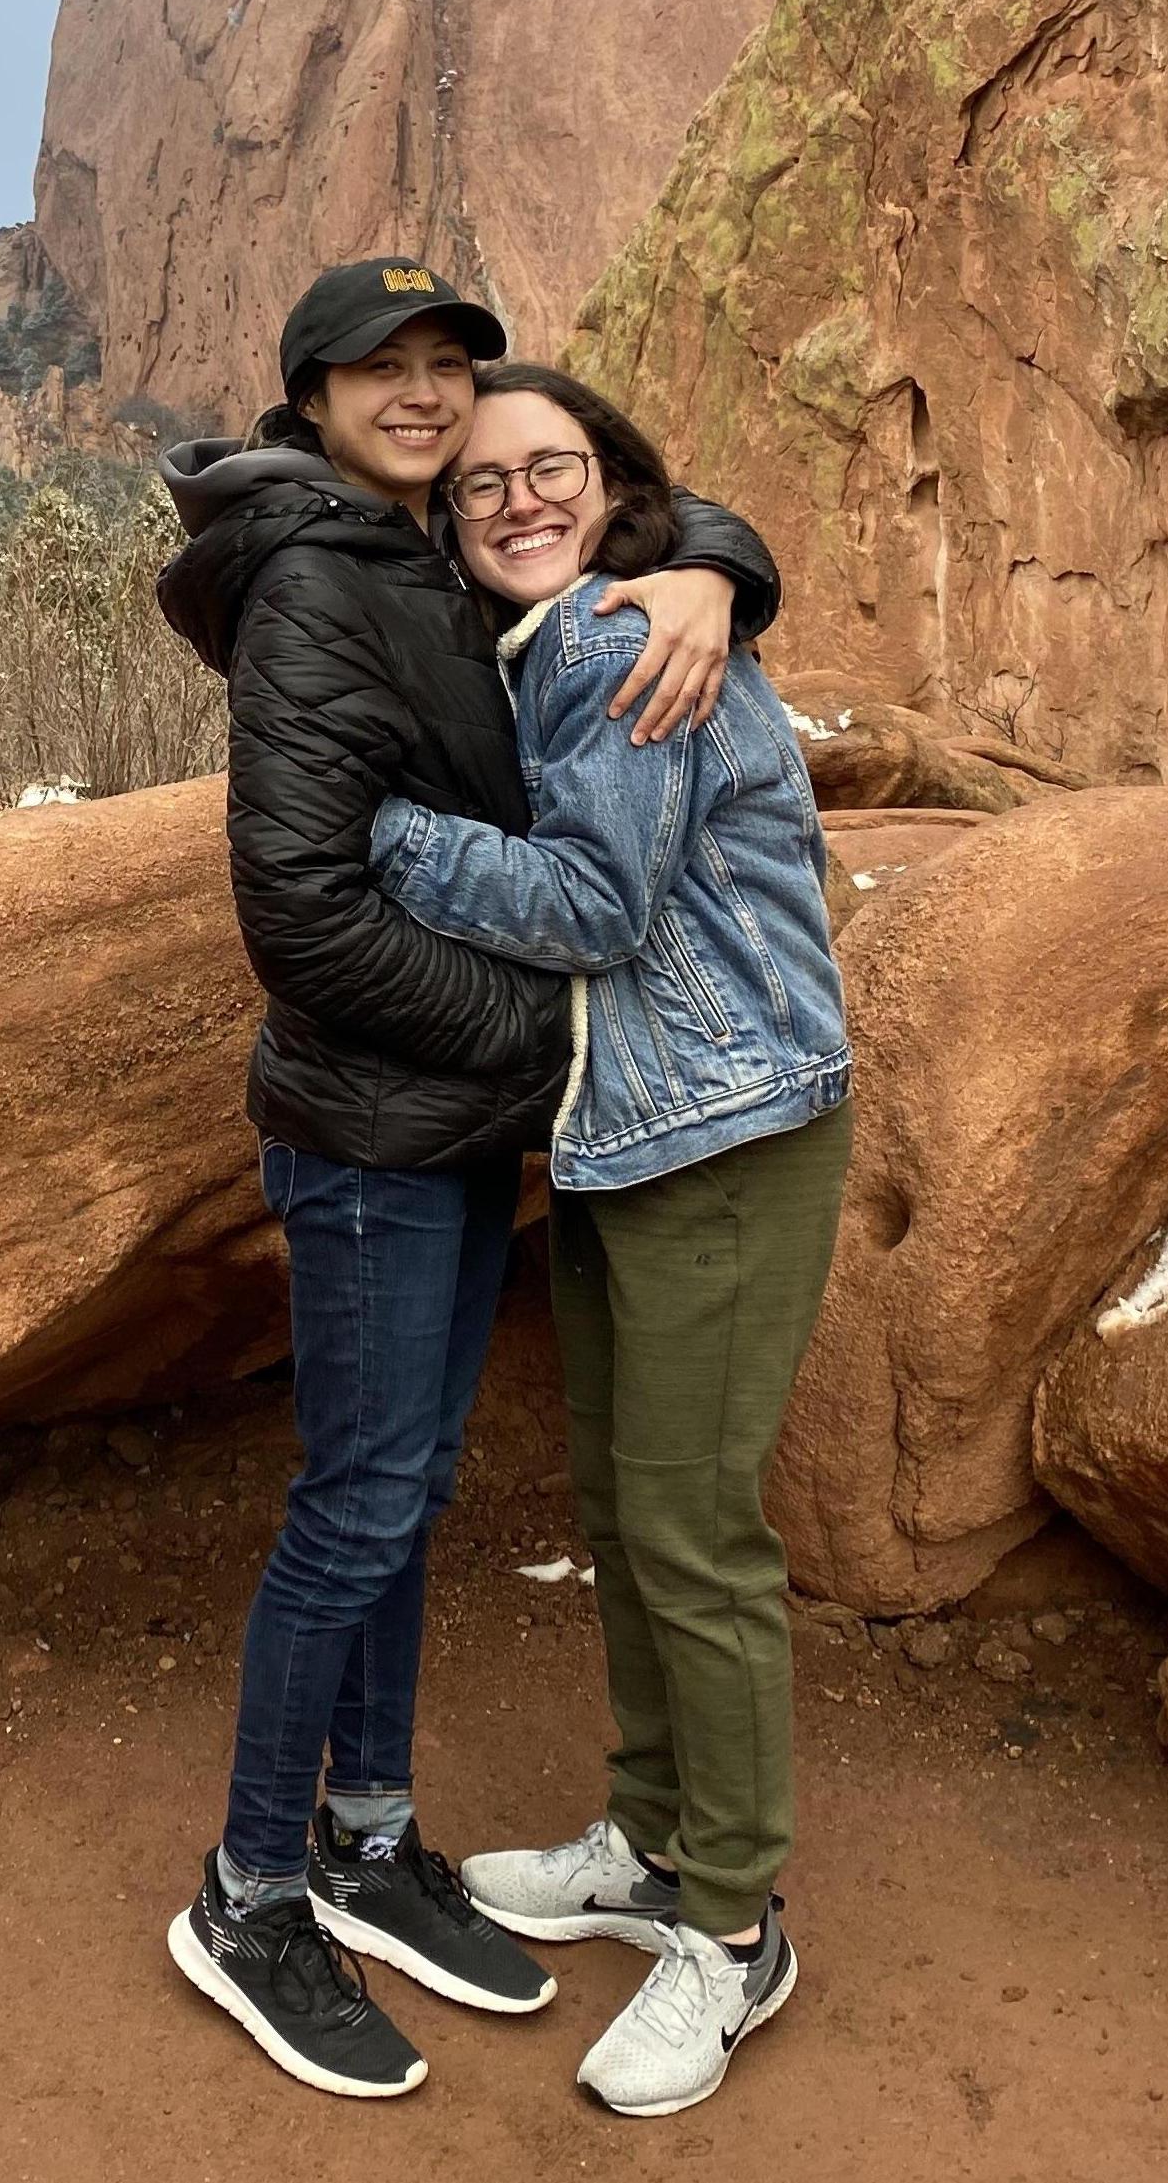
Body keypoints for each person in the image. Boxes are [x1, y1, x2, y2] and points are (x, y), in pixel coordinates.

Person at [151, 260, 779, 2102]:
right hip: (368, 1131)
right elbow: (302, 915)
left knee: (406, 1491)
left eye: (449, 364)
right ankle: (251, 1885)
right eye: (382, 371)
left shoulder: (426, 543)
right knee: (356, 1501)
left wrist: (705, 571)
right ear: (309, 395)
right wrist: (529, 1047)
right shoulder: (307, 587)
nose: (427, 397)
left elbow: (624, 505)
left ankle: (364, 1835)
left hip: (440, 1132)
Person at [364, 360, 852, 2122]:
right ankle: (651, 1842)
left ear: (611, 480)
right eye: (477, 481)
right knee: (624, 1513)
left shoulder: (603, 644)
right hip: (635, 1138)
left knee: (690, 1534)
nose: (512, 499)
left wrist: (381, 833)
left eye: (545, 466)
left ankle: (730, 1924)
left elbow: (593, 901)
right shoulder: (580, 634)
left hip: (724, 1131)